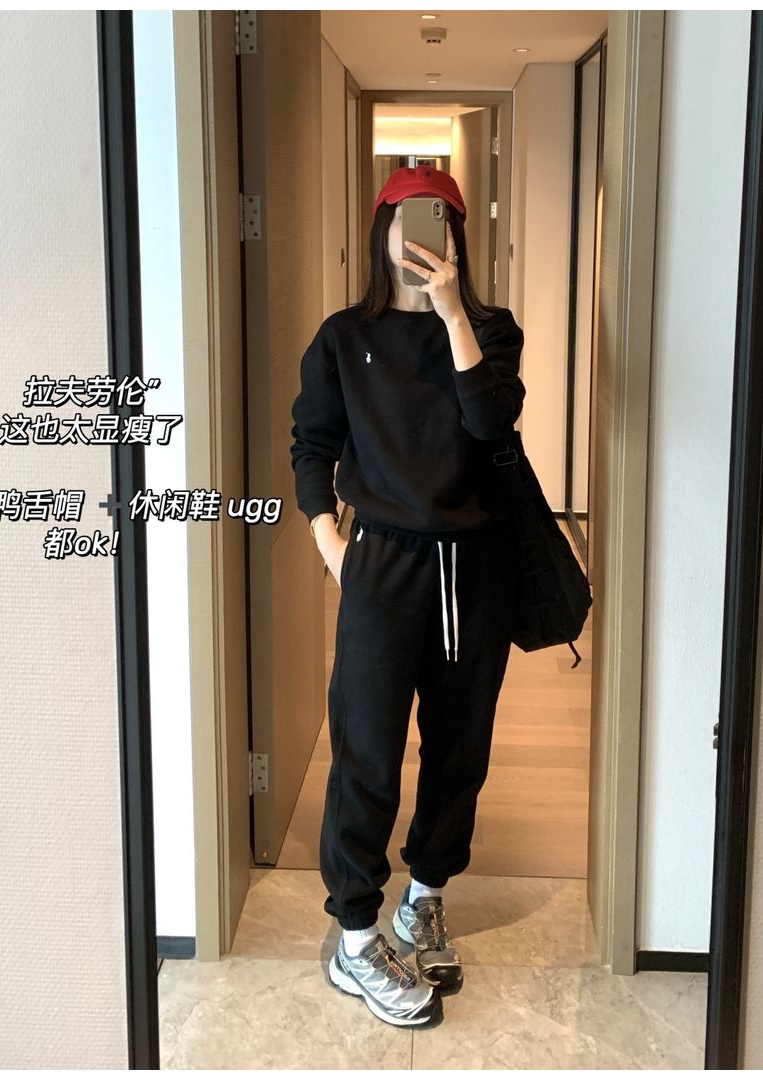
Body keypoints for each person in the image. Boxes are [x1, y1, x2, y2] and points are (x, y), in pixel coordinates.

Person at [289, 165, 526, 1028]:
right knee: (367, 748)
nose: (423, 231)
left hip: (473, 568)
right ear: (381, 228)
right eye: (406, 216)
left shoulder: (491, 330)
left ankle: (423, 900)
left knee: (460, 747)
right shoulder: (343, 337)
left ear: (458, 234)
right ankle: (356, 937)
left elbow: (491, 424)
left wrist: (454, 313)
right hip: (382, 562)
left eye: (441, 219)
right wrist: (329, 542)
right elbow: (312, 443)